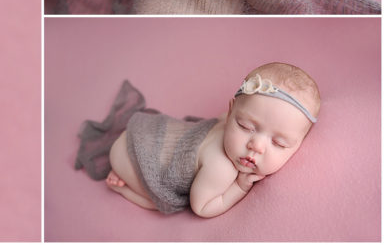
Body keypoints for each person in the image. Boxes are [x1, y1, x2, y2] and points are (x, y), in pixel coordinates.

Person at [76, 63, 320, 217]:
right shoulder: (221, 168)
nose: (256, 145)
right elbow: (202, 208)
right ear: (231, 110)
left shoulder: (229, 119)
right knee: (164, 205)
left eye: (278, 143)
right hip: (135, 157)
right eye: (245, 126)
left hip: (149, 131)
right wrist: (239, 187)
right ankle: (122, 188)